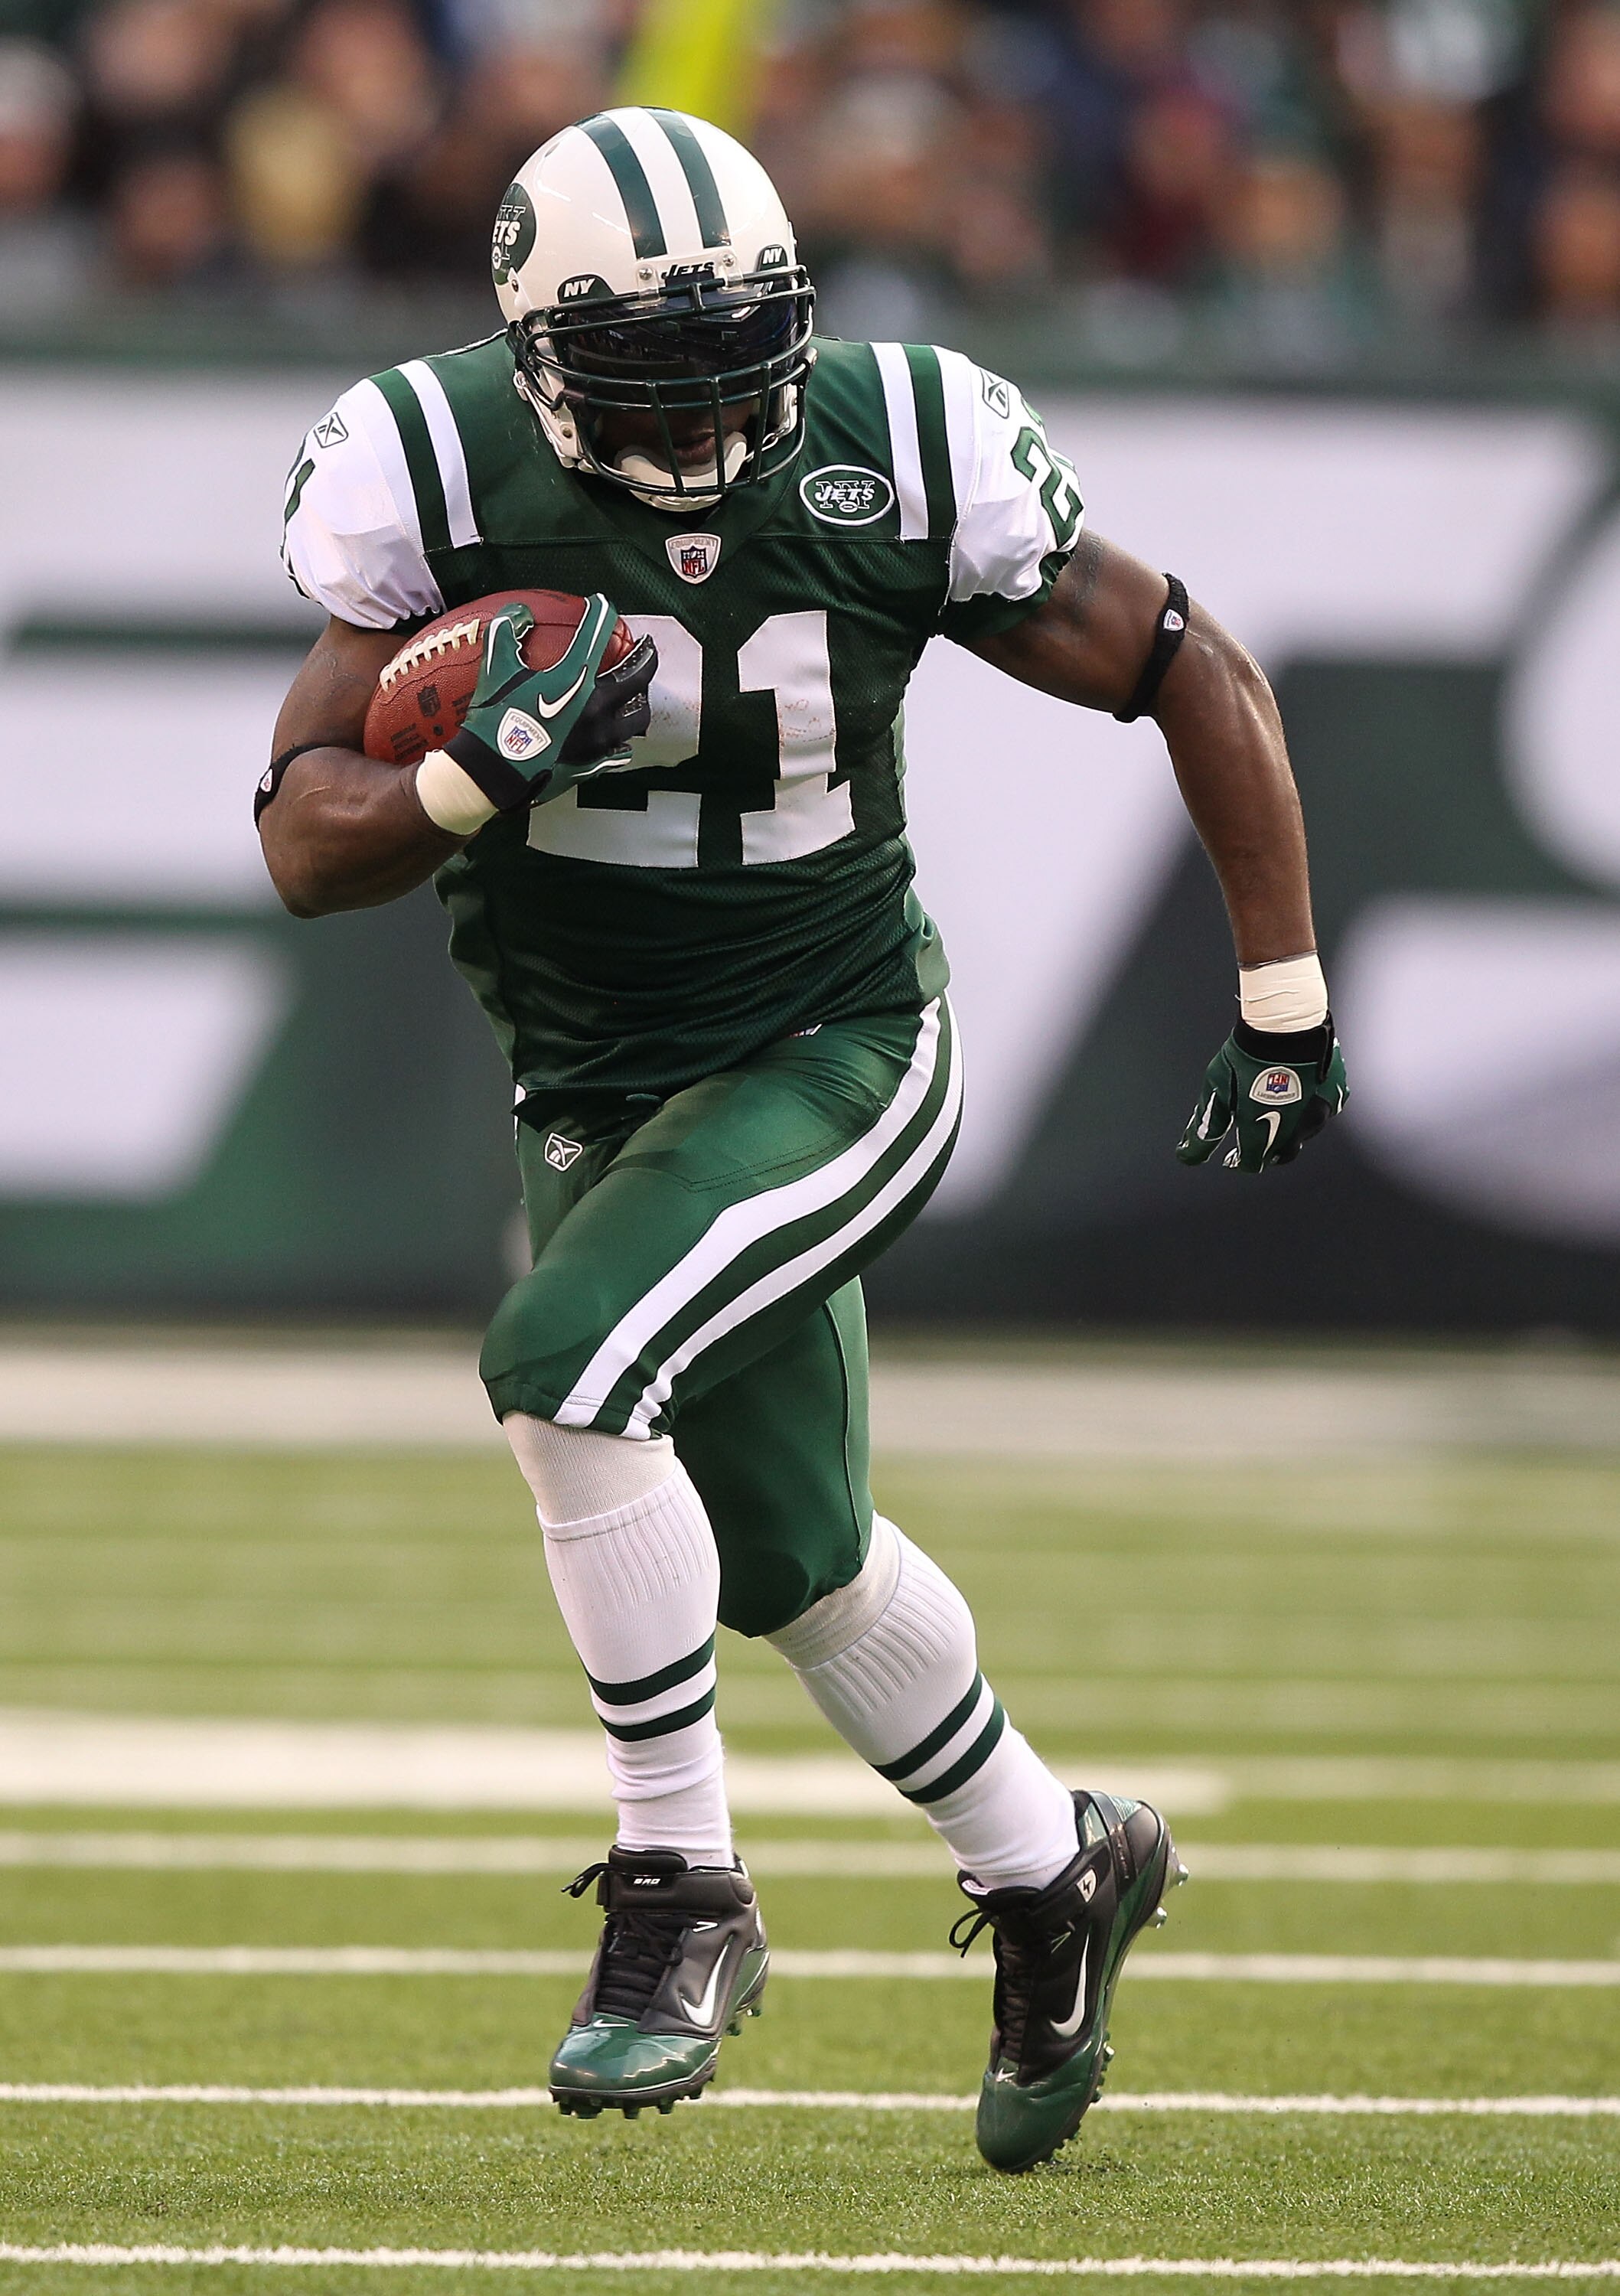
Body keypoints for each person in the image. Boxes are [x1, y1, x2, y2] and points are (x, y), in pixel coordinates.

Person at [261, 105, 1346, 2174]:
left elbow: (1190, 664)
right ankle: (1055, 1865)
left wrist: (1281, 995)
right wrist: (462, 790)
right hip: (596, 1080)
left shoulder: (900, 440)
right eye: (645, 375)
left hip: (836, 1037)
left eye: (732, 357)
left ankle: (682, 1895)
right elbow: (309, 840)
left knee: (566, 1368)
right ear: (533, 352)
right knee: (796, 1560)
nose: (700, 419)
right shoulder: (432, 464)